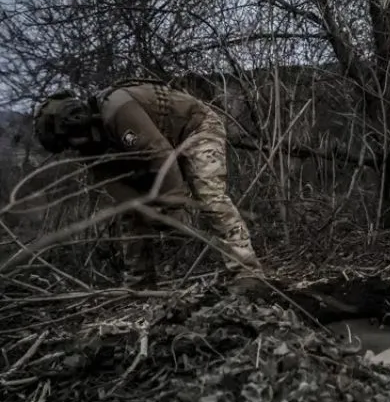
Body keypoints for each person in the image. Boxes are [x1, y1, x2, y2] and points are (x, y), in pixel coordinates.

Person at [32, 79, 264, 288]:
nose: (75, 146)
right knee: (129, 214)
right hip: (156, 149)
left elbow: (161, 156)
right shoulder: (89, 147)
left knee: (210, 195)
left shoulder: (117, 110)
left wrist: (173, 208)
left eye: (71, 140)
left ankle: (247, 273)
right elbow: (118, 189)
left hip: (196, 129)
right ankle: (140, 283)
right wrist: (146, 209)